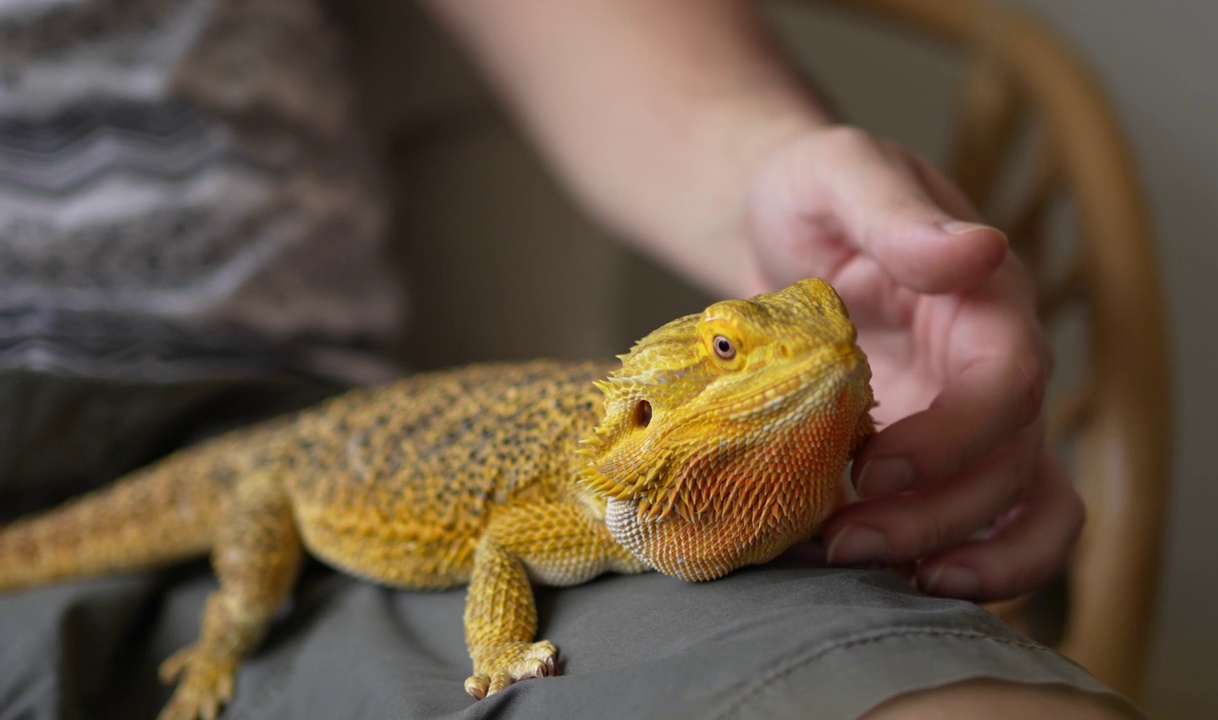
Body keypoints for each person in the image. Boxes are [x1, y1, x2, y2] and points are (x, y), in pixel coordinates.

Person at [0, 0, 1132, 718]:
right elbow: (503, 539)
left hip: (244, 386)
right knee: (239, 597)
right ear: (641, 421)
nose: (811, 357)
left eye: (810, 327)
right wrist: (497, 646)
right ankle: (221, 647)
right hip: (265, 482)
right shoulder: (572, 512)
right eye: (733, 351)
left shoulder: (670, 482)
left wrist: (767, 165)